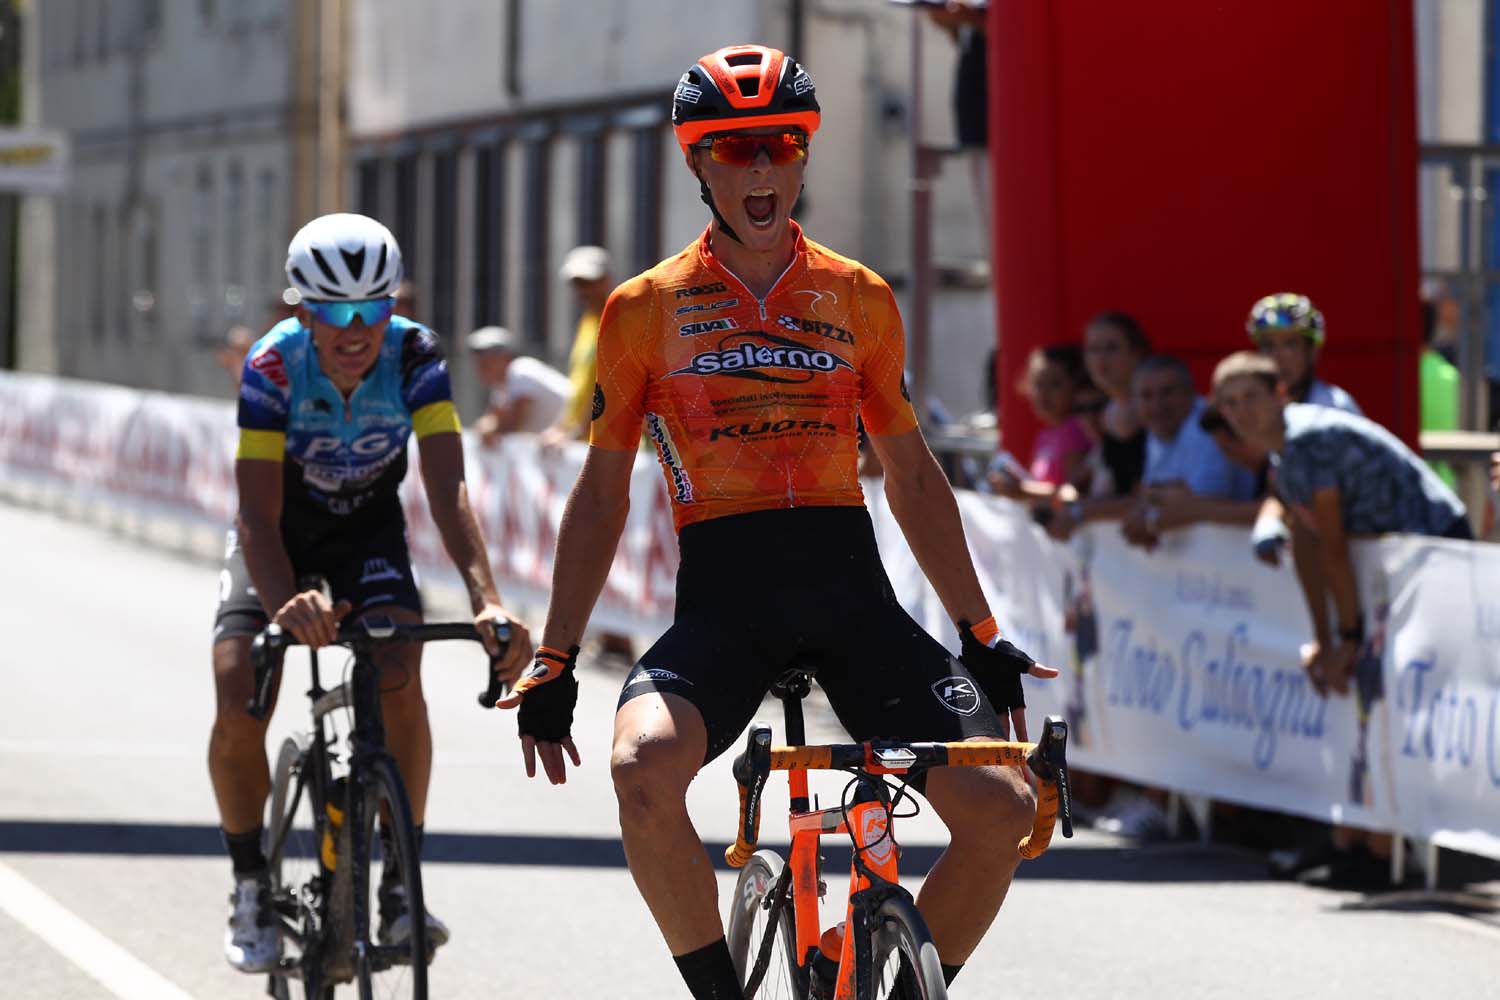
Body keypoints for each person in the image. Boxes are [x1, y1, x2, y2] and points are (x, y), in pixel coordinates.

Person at [495, 45, 1055, 1000]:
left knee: (1005, 808)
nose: (761, 168)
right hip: (725, 611)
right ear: (697, 162)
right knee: (639, 770)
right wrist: (555, 656)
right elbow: (600, 497)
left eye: (781, 146)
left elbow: (914, 479)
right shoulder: (644, 309)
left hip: (854, 604)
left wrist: (981, 632)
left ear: (803, 156)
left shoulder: (859, 296)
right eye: (735, 148)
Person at [210, 213, 532, 972]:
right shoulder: (272, 366)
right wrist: (285, 603)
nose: (355, 329)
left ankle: (397, 883)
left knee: (400, 672)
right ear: (303, 311)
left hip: (367, 534)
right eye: (335, 311)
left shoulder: (416, 354)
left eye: (372, 308)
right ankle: (251, 885)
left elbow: (448, 488)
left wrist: (486, 599)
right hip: (281, 532)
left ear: (392, 305)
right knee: (238, 686)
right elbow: (256, 513)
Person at [1213, 351, 1469, 695]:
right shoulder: (1283, 453)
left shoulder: (1308, 439)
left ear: (1279, 393)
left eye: (1250, 397)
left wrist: (1347, 641)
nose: (1242, 411)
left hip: (1438, 544)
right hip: (1400, 560)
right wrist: (1324, 641)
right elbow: (1307, 537)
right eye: (1230, 403)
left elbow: (1331, 545)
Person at [1119, 355, 1259, 549]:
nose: (1157, 405)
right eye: (1146, 395)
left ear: (1191, 392)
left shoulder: (1205, 426)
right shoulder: (1158, 430)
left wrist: (1151, 518)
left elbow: (1201, 502)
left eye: (1167, 392)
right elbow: (1159, 496)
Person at [1040, 312, 1151, 540]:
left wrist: (1080, 512)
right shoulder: (1110, 413)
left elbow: (1148, 499)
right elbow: (1081, 482)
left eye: (1112, 348)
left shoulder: (1154, 410)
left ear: (1136, 352)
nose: (1101, 359)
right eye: (1093, 350)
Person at [986, 344, 1093, 499]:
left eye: (1055, 384)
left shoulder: (1076, 430)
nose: (1044, 394)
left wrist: (1023, 490)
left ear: (1074, 386)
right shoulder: (1044, 435)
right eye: (1038, 384)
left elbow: (1074, 495)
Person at [539, 245, 614, 448]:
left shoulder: (616, 321)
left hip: (603, 444)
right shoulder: (588, 321)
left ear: (606, 280)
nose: (583, 290)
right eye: (578, 283)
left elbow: (611, 388)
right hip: (578, 442)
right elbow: (580, 384)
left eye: (589, 282)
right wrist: (561, 427)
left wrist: (574, 433)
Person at [467, 325, 571, 443]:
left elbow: (515, 425)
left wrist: (492, 427)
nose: (481, 367)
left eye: (488, 360)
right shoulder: (501, 387)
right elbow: (490, 420)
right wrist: (487, 426)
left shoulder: (521, 370)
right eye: (479, 361)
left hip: (578, 436)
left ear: (505, 357)